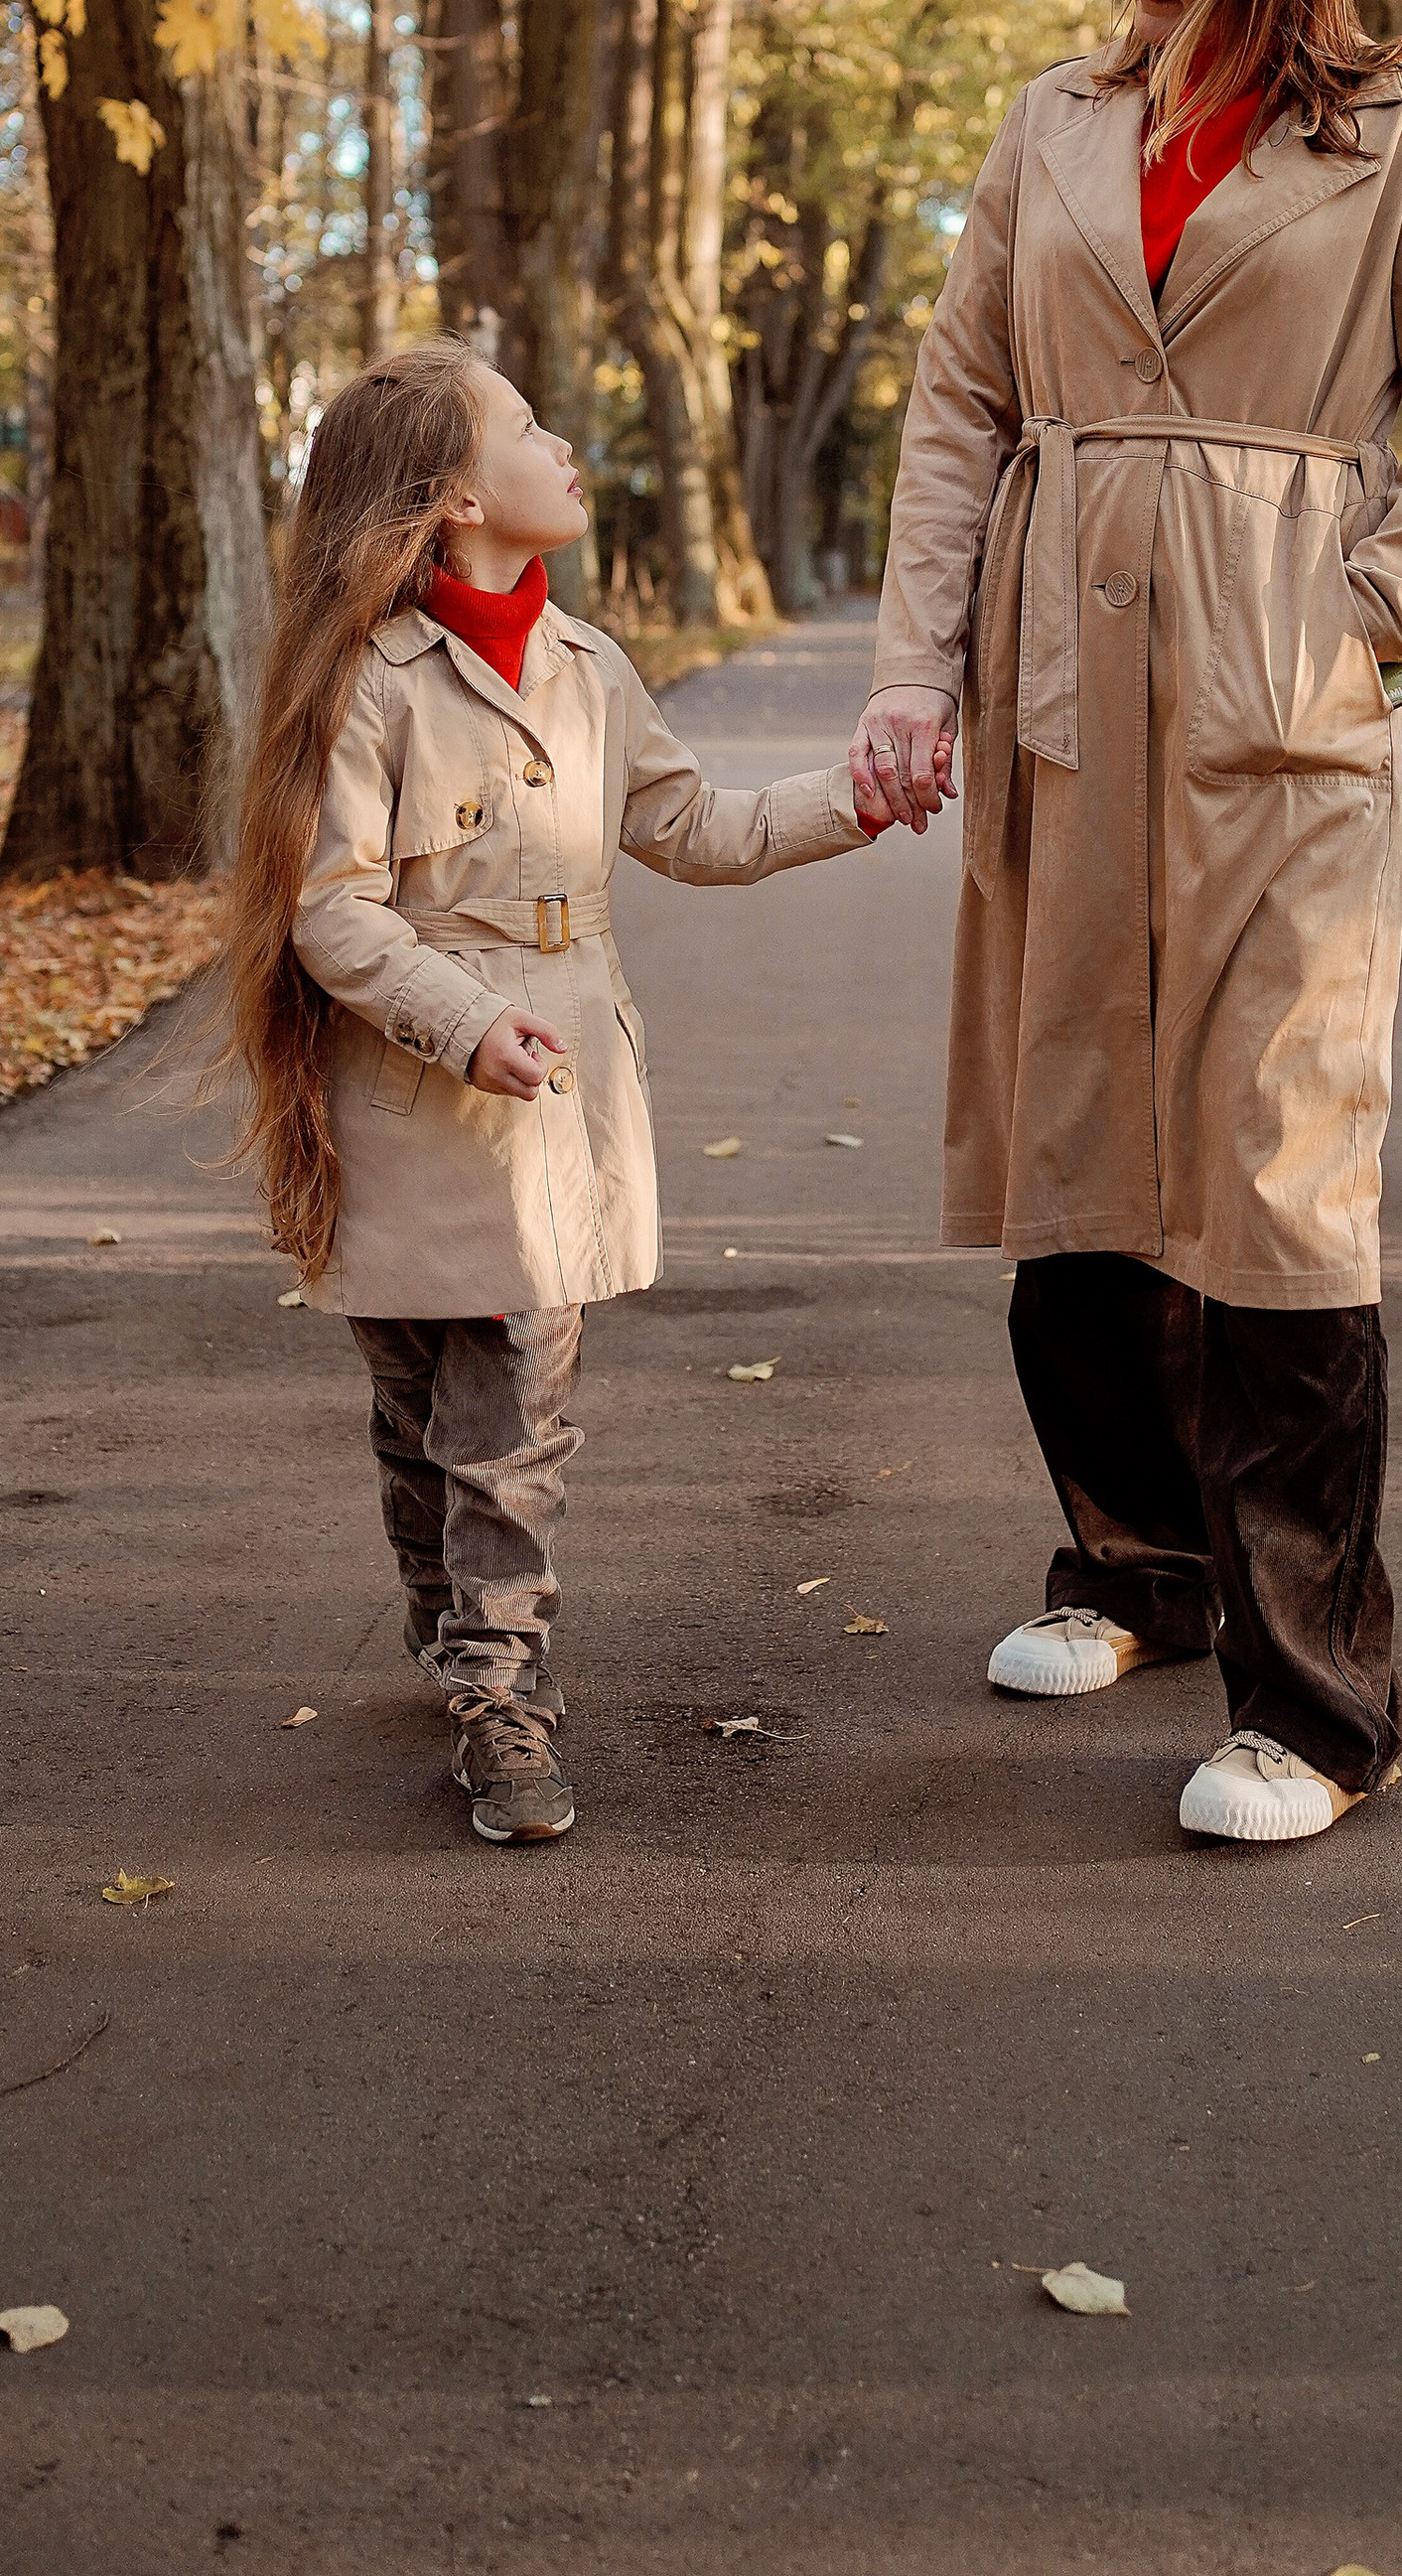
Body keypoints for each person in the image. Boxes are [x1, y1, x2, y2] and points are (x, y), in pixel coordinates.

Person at [853, 0, 1402, 1847]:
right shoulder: (1057, 118)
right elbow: (964, 394)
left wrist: (1371, 612)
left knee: (1272, 1164)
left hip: (1282, 695)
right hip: (1066, 669)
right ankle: (1131, 1567)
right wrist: (912, 667)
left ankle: (1315, 1711)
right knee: (1075, 1129)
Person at [220, 340, 888, 1846]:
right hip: (404, 1097)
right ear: (454, 497)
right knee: (415, 1409)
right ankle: (445, 1620)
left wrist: (859, 797)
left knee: (513, 1409)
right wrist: (465, 1024)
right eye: (525, 427)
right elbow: (332, 911)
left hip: (554, 1101)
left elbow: (695, 825)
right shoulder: (368, 685)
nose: (564, 444)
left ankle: (501, 1689)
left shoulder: (590, 667)